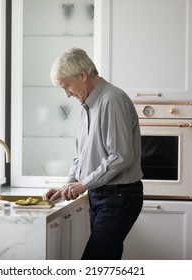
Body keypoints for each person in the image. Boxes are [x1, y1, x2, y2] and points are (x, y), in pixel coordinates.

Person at [43, 47, 144, 260]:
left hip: (119, 197)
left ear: (82, 74)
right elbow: (82, 155)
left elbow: (120, 156)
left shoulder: (112, 100)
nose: (67, 94)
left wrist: (83, 185)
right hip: (101, 195)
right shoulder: (88, 105)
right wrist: (66, 187)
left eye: (67, 86)